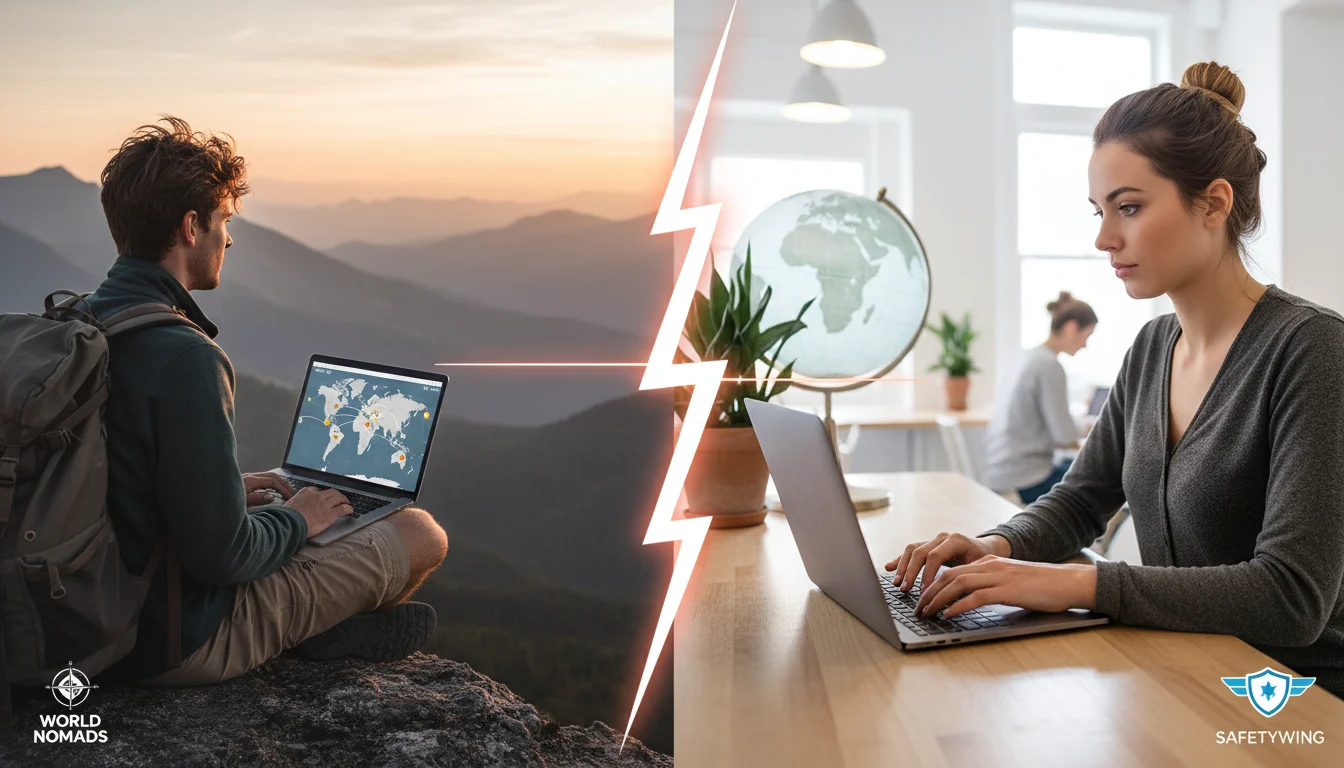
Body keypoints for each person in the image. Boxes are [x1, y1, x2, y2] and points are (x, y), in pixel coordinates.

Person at [886, 62, 1344, 697]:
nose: (1104, 238)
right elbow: (1081, 500)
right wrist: (995, 546)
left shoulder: (1313, 350)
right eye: (1100, 211)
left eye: (1128, 207)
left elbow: (1291, 598)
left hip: (1292, 702)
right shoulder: (1153, 348)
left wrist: (1076, 583)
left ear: (1214, 203)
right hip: (1183, 675)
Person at [87, 117, 449, 686]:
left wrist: (228, 490)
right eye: (224, 221)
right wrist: (299, 518)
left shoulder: (80, 324)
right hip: (168, 640)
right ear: (191, 227)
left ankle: (318, 619)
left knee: (284, 506)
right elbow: (223, 558)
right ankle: (319, 630)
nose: (228, 239)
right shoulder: (184, 357)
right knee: (421, 532)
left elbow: (116, 476)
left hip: (86, 612)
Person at [983, 292, 1097, 503]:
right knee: (1101, 480)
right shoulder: (1049, 365)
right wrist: (1090, 427)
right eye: (1086, 336)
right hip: (1025, 478)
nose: (1085, 345)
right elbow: (1064, 436)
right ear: (1071, 327)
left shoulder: (1026, 358)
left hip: (1001, 473)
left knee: (1073, 468)